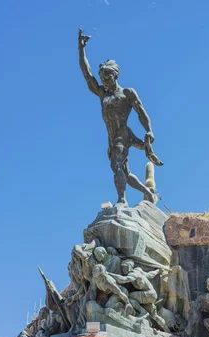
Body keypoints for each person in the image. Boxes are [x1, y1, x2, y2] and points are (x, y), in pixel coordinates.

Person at [78, 28, 162, 206]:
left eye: (106, 76)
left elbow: (141, 112)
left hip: (123, 133)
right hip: (112, 136)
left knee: (116, 165)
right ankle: (147, 192)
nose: (103, 80)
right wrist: (81, 48)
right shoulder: (102, 93)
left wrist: (149, 131)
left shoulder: (126, 93)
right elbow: (87, 74)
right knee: (123, 170)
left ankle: (121, 201)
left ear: (115, 74)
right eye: (101, 77)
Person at [108, 260, 170, 332]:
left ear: (130, 267)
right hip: (152, 294)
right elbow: (149, 275)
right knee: (154, 315)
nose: (123, 270)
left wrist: (108, 273)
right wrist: (158, 271)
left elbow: (122, 279)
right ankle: (167, 330)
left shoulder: (133, 274)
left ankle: (142, 312)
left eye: (125, 267)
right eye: (122, 268)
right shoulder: (138, 270)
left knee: (129, 297)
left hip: (148, 295)